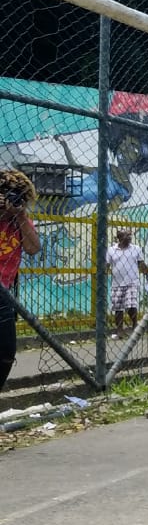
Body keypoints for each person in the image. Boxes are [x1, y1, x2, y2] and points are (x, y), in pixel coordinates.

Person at [0, 169, 41, 394]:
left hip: (4, 294)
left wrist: (20, 215)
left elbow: (33, 248)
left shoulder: (19, 221)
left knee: (6, 353)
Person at [105, 228, 148, 336]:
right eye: (127, 235)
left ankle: (135, 324)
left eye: (130, 235)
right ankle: (120, 329)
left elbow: (141, 264)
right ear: (120, 237)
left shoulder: (136, 249)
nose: (130, 237)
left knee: (131, 305)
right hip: (117, 283)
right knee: (118, 307)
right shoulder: (111, 250)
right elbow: (107, 265)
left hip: (132, 281)